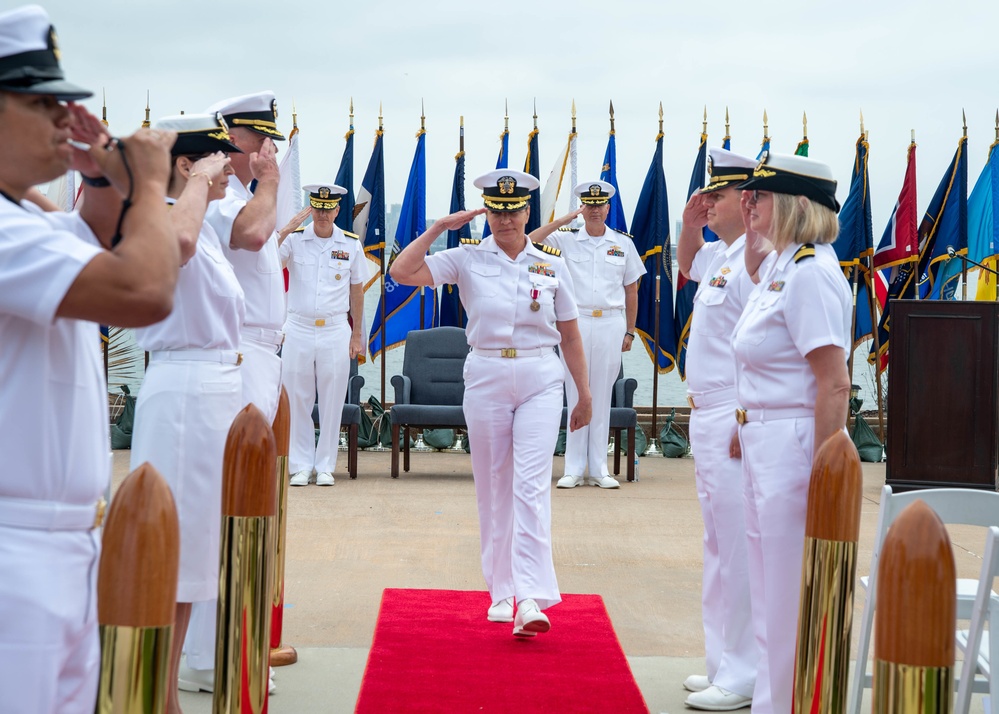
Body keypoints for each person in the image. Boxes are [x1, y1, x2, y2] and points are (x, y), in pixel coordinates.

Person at [0, 6, 180, 711]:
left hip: (57, 543)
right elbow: (142, 286)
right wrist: (151, 185)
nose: (63, 117)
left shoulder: (25, 222)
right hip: (14, 550)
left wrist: (107, 181)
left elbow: (98, 243)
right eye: (40, 101)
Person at [391, 170, 592, 637]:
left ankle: (528, 598)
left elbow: (571, 335)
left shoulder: (551, 265)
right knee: (493, 484)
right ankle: (500, 590)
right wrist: (439, 228)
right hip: (485, 374)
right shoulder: (464, 259)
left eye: (515, 210)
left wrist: (583, 392)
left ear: (527, 212)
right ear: (487, 213)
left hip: (541, 375)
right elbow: (402, 272)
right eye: (498, 211)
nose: (506, 220)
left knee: (530, 484)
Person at [127, 113, 244, 714]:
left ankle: (165, 690)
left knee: (197, 551)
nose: (230, 169)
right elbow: (172, 247)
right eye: (219, 160)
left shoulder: (204, 226)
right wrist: (197, 182)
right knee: (173, 550)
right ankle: (157, 695)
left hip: (213, 391)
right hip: (184, 395)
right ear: (186, 165)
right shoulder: (166, 218)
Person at [731, 152, 852, 714]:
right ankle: (772, 703)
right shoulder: (783, 266)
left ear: (793, 206)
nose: (747, 203)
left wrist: (828, 475)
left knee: (788, 592)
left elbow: (832, 385)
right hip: (764, 441)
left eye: (759, 197)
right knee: (768, 590)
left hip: (795, 447)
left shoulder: (812, 275)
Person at [181, 90, 287, 692]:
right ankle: (213, 655)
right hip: (240, 352)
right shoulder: (225, 201)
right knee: (233, 501)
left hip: (261, 353)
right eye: (257, 141)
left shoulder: (246, 196)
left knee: (245, 501)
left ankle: (225, 645)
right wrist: (270, 184)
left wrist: (267, 186)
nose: (267, 151)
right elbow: (249, 237)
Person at [675, 148, 760, 711]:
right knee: (716, 544)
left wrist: (743, 416)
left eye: (718, 196)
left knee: (738, 545)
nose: (708, 202)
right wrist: (688, 222)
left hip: (732, 411)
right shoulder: (722, 256)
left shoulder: (755, 261)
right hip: (705, 410)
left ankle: (746, 672)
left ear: (748, 202)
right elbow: (686, 266)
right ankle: (721, 663)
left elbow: (761, 351)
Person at [530, 181, 643, 490]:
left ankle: (599, 468)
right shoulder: (566, 240)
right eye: (588, 205)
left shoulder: (622, 244)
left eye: (599, 205)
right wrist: (566, 219)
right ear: (582, 207)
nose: (594, 210)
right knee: (575, 391)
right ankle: (574, 467)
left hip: (610, 323)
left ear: (608, 208)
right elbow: (531, 240)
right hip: (575, 323)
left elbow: (631, 290)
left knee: (602, 394)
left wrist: (630, 331)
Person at [279, 183, 368, 486]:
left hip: (334, 330)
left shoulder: (351, 245)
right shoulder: (293, 241)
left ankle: (326, 465)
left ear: (337, 210)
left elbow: (357, 293)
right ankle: (301, 465)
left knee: (332, 400)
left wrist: (357, 336)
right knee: (297, 399)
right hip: (298, 328)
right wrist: (287, 227)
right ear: (311, 208)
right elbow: (263, 259)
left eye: (328, 208)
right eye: (317, 207)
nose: (322, 213)